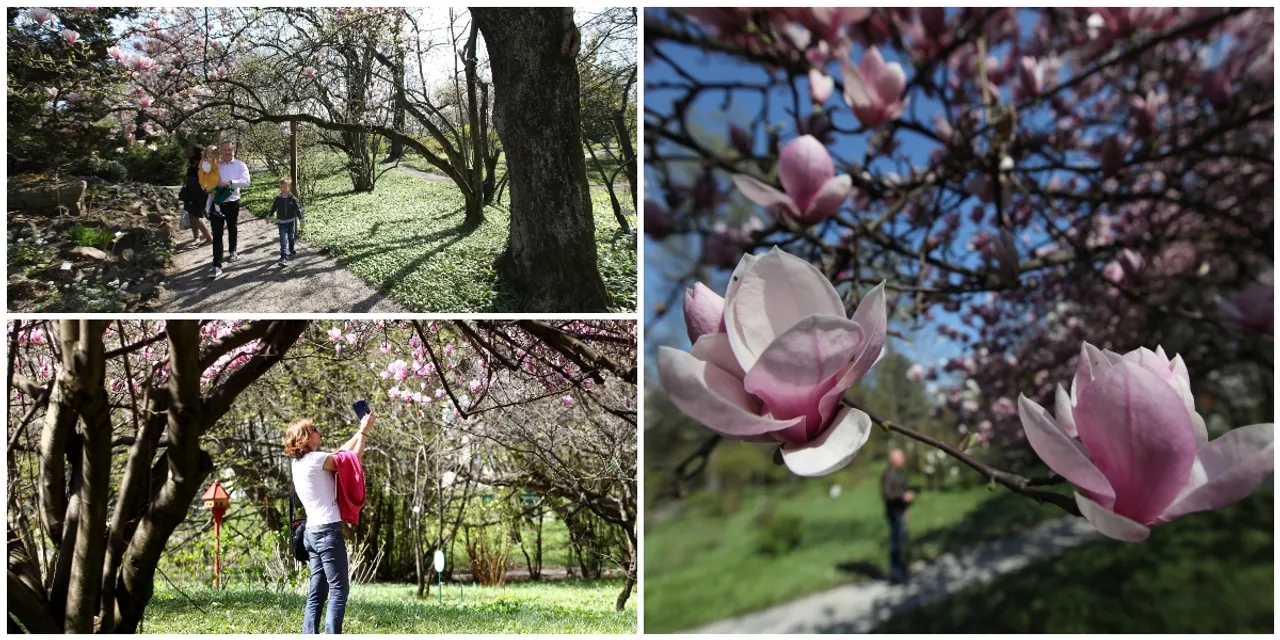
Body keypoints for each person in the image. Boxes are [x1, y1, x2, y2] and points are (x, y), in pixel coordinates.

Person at [283, 412, 375, 634]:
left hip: (312, 533)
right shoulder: (316, 460)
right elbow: (352, 460)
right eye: (313, 428)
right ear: (306, 436)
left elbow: (340, 454)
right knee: (339, 590)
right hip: (327, 532)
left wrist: (360, 430)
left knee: (318, 592)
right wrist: (363, 432)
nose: (317, 430)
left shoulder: (300, 463)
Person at [208, 140, 251, 280]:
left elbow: (246, 182)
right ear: (221, 151)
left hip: (232, 202)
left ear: (233, 150)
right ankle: (217, 265)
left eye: (229, 149)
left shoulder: (240, 165)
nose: (227, 152)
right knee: (217, 232)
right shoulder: (216, 165)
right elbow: (207, 178)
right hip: (217, 203)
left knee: (232, 228)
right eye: (224, 149)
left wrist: (231, 182)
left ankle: (233, 250)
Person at [881, 448, 915, 584]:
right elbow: (887, 495)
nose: (903, 459)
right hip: (894, 513)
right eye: (901, 457)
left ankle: (902, 569)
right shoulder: (889, 475)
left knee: (902, 542)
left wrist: (906, 510)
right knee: (896, 543)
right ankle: (895, 573)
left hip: (900, 512)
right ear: (893, 459)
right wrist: (903, 496)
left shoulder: (900, 473)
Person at [179, 146, 213, 247]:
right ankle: (199, 238)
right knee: (192, 215)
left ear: (195, 153)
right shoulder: (193, 163)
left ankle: (209, 237)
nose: (187, 152)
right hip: (191, 193)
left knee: (201, 215)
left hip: (200, 193)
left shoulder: (202, 164)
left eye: (190, 150)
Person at [268, 177, 305, 266]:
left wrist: (301, 220)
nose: (282, 189)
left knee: (291, 237)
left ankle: (291, 249)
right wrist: (269, 216)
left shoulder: (293, 199)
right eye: (281, 187)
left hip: (291, 222)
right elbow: (273, 208)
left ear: (289, 187)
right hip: (281, 223)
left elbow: (298, 210)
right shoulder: (277, 198)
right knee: (283, 240)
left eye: (285, 187)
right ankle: (283, 256)